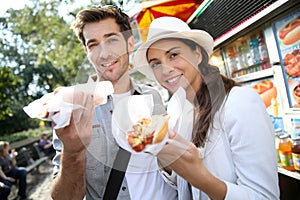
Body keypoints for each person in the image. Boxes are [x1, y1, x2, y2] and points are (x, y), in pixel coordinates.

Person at [133, 17, 280, 199]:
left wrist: (202, 179)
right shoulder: (175, 109)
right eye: (156, 63)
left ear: (197, 54)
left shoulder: (240, 103)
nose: (165, 69)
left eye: (173, 55)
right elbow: (182, 187)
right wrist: (165, 158)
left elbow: (265, 197)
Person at [50, 5, 177, 200]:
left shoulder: (152, 96)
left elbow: (165, 164)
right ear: (86, 51)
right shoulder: (72, 109)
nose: (104, 54)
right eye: (93, 44)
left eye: (112, 40)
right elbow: (64, 198)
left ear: (130, 44)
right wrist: (72, 153)